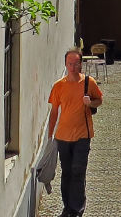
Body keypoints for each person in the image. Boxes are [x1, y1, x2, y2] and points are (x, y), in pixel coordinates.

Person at [47, 49, 103, 217]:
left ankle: (77, 209)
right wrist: (50, 136)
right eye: (70, 64)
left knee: (78, 171)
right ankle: (68, 207)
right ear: (66, 64)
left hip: (82, 136)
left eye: (76, 63)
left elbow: (99, 100)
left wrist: (90, 103)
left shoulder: (88, 82)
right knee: (67, 172)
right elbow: (54, 112)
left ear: (80, 64)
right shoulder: (59, 86)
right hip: (63, 136)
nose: (72, 67)